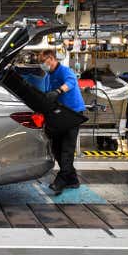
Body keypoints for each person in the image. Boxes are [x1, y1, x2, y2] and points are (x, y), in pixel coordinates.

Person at [38, 49, 86, 195]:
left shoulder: (65, 70)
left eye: (43, 62)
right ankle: (72, 179)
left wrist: (59, 91)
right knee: (57, 148)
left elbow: (71, 82)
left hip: (73, 113)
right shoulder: (48, 76)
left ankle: (61, 180)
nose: (42, 65)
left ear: (51, 59)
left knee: (66, 149)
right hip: (60, 115)